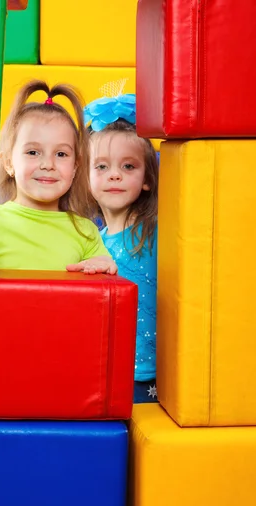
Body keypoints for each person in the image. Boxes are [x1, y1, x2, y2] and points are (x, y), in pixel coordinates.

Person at [0, 79, 117, 275]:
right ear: (8, 162)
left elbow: (100, 293)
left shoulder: (85, 232)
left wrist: (104, 268)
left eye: (61, 154)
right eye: (33, 152)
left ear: (76, 166)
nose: (48, 165)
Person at [85, 94, 159, 402]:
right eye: (101, 166)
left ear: (146, 179)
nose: (114, 174)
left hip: (150, 373)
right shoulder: (89, 239)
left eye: (128, 166)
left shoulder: (154, 231)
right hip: (103, 370)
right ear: (85, 176)